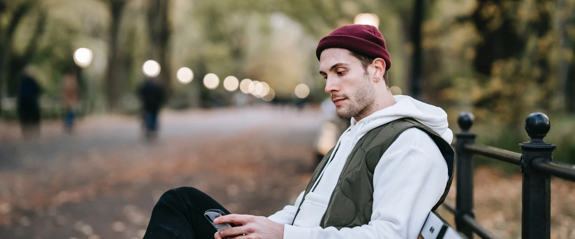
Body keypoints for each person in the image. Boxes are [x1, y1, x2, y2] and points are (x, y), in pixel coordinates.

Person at [143, 24, 454, 239]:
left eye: (340, 72)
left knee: (180, 205)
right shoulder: (357, 131)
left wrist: (282, 234)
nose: (329, 86)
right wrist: (261, 226)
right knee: (182, 202)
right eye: (325, 75)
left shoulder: (410, 145)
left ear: (376, 69)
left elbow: (389, 235)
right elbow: (307, 208)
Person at [17, 70, 42, 138]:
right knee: (34, 117)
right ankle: (33, 131)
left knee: (25, 118)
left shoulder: (22, 82)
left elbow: (19, 93)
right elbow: (37, 90)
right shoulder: (32, 81)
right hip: (32, 102)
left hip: (23, 103)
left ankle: (26, 131)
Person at [62, 68, 81, 133]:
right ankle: (69, 124)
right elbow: (75, 89)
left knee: (69, 112)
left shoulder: (66, 80)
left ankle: (69, 124)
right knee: (70, 112)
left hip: (69, 99)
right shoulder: (72, 80)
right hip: (70, 99)